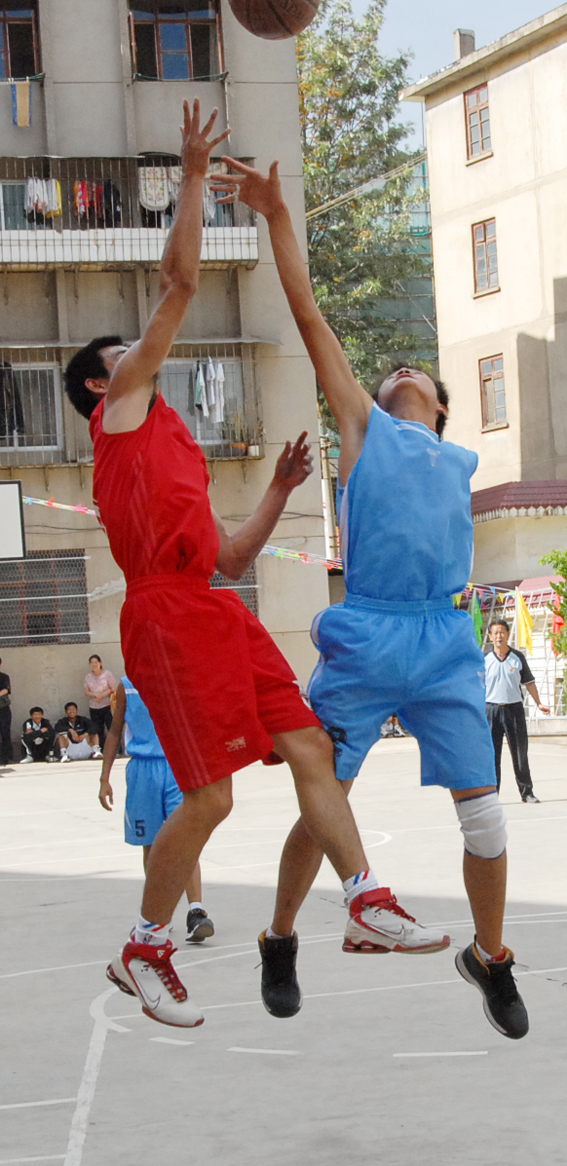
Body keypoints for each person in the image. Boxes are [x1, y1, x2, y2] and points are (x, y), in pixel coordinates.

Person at [63, 99, 444, 1030]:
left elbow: (231, 557)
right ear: (101, 381)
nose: (141, 349)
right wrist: (192, 175)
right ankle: (144, 947)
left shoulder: (173, 443)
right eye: (124, 351)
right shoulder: (118, 413)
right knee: (211, 797)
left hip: (209, 605)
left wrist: (275, 491)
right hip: (163, 617)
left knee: (311, 745)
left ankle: (364, 896)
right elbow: (180, 281)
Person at [210, 156, 530, 1041]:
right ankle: (280, 938)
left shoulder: (457, 460)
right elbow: (309, 312)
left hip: (444, 640)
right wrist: (277, 215)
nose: (400, 374)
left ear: (440, 408)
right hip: (369, 632)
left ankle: (490, 957)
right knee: (325, 802)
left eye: (415, 373)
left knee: (486, 817)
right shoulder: (363, 427)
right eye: (390, 374)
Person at [99, 677, 214, 943]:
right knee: (150, 845)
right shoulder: (127, 686)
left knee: (185, 840)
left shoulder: (175, 677)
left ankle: (196, 912)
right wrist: (104, 778)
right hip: (142, 769)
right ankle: (157, 916)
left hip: (177, 767)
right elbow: (114, 732)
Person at [485, 619, 549, 803]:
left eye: (502, 632)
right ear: (490, 636)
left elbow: (529, 682)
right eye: (496, 633)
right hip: (490, 711)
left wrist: (539, 703)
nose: (499, 636)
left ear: (507, 634)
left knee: (520, 753)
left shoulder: (517, 657)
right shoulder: (484, 659)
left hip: (514, 710)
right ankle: (491, 795)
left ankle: (527, 792)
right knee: (491, 755)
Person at [84, 654, 117, 747]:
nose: (94, 664)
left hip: (107, 705)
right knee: (98, 730)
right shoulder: (88, 676)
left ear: (100, 663)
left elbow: (113, 688)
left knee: (111, 728)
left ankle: (116, 749)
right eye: (92, 662)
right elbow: (86, 692)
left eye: (96, 662)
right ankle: (101, 749)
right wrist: (95, 695)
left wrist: (102, 695)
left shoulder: (107, 674)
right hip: (94, 707)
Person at [0, 657, 13, 765]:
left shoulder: (4, 677)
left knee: (5, 733)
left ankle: (8, 758)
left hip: (3, 709)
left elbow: (6, 690)